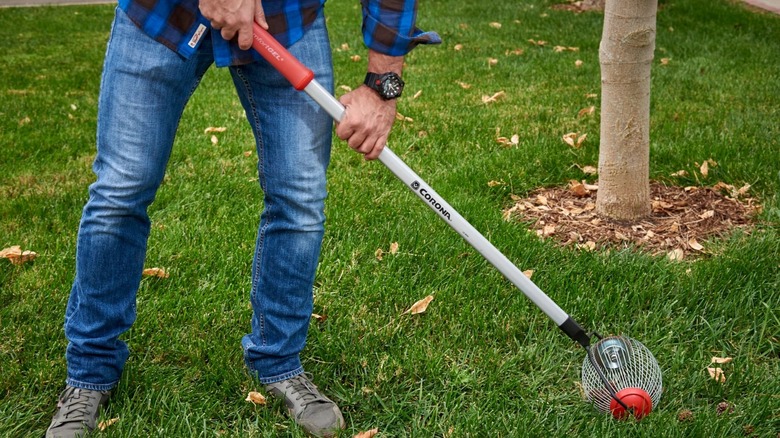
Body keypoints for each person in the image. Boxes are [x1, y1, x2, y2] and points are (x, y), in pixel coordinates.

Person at [45, 0, 439, 436]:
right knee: (121, 190)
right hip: (162, 14)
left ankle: (279, 361)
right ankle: (90, 373)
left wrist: (382, 85)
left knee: (300, 195)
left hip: (286, 17)